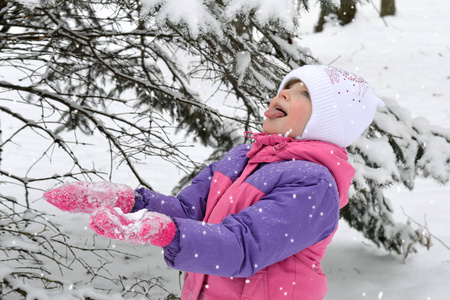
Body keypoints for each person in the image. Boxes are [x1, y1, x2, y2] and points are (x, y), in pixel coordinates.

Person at [44, 65, 385, 300]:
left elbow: (242, 246)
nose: (281, 94)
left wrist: (166, 232)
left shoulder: (312, 184)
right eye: (284, 87)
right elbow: (190, 212)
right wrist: (132, 202)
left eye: (304, 94)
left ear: (327, 122)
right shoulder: (241, 159)